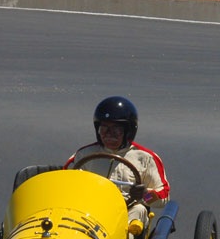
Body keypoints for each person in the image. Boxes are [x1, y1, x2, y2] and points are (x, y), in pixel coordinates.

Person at [64, 96, 170, 227]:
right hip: (90, 211)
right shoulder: (84, 154)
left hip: (126, 213)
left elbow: (163, 196)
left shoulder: (145, 158)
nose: (109, 134)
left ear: (129, 131)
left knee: (139, 209)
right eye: (104, 129)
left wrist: (145, 195)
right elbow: (65, 182)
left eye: (116, 130)